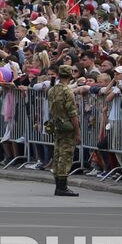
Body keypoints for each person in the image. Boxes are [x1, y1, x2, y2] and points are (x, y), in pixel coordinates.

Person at [47, 64, 80, 195]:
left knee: (57, 153)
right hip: (67, 125)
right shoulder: (67, 91)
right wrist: (77, 132)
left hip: (57, 123)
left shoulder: (52, 90)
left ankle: (58, 184)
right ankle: (62, 187)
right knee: (65, 155)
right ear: (70, 75)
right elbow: (73, 114)